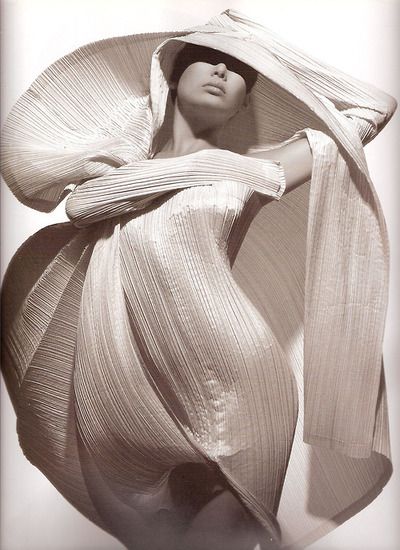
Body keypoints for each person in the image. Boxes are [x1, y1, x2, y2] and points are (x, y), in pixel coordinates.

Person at [1, 8, 396, 550]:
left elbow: (376, 107)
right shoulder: (114, 176)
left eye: (239, 71)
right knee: (154, 541)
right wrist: (211, 158)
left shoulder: (263, 167)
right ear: (170, 75)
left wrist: (252, 37)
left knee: (226, 536)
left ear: (246, 97)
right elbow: (83, 206)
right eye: (206, 59)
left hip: (238, 368)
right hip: (117, 377)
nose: (221, 70)